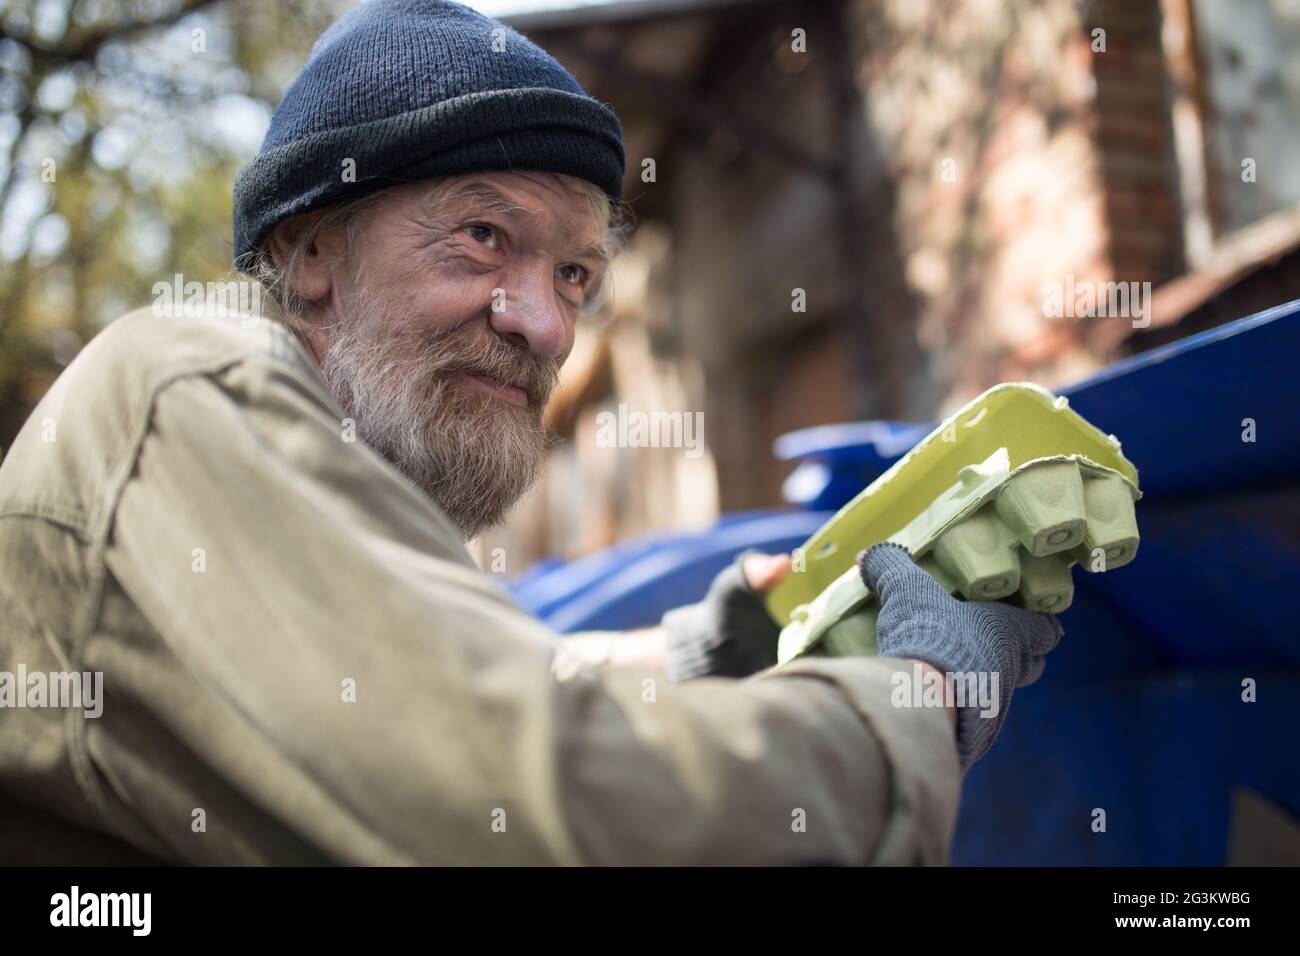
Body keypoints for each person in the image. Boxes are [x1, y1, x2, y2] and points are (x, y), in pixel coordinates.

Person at [0, 0, 1060, 865]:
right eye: (480, 234)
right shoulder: (192, 388)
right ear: (312, 246)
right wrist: (915, 698)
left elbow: (445, 705)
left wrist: (691, 657)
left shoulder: (305, 450)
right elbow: (537, 814)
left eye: (574, 272)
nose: (546, 325)